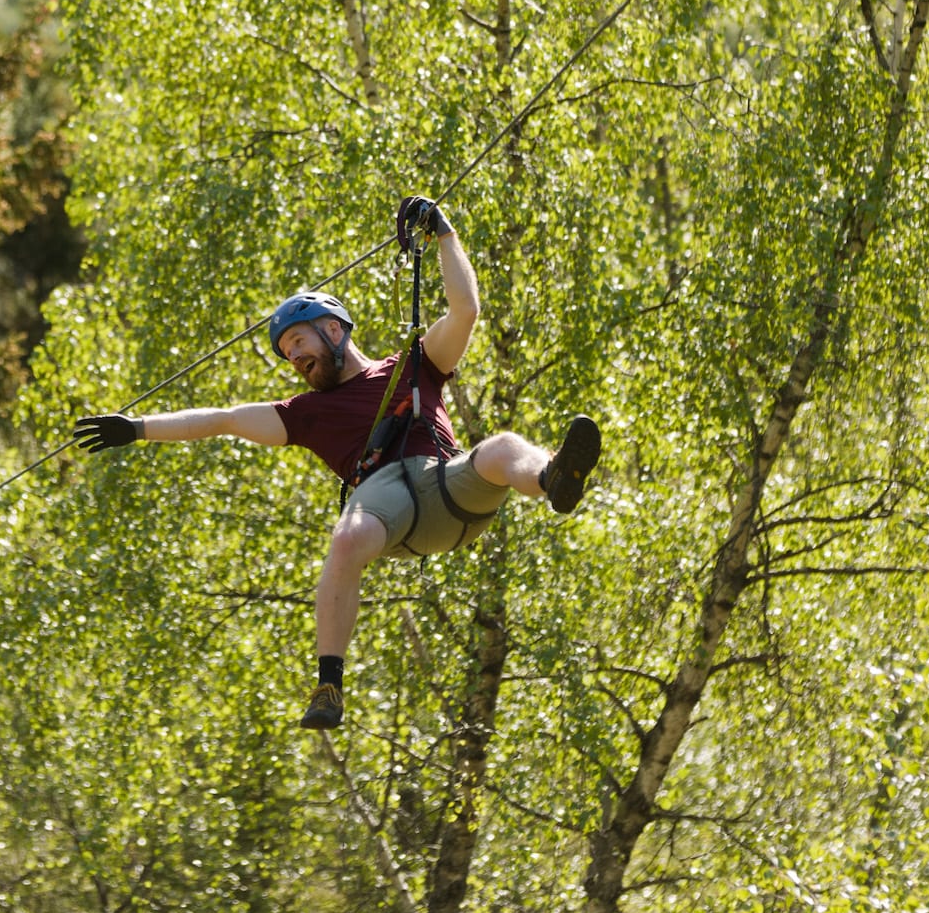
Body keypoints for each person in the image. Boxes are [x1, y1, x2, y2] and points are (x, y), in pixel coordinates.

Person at [72, 196, 601, 730]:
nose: (295, 357)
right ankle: (329, 685)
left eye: (299, 340)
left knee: (502, 447)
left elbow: (465, 310)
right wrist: (135, 429)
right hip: (385, 502)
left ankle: (551, 477)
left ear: (333, 330)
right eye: (286, 352)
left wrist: (444, 234)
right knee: (346, 539)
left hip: (445, 485)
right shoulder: (304, 415)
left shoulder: (416, 365)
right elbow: (221, 419)